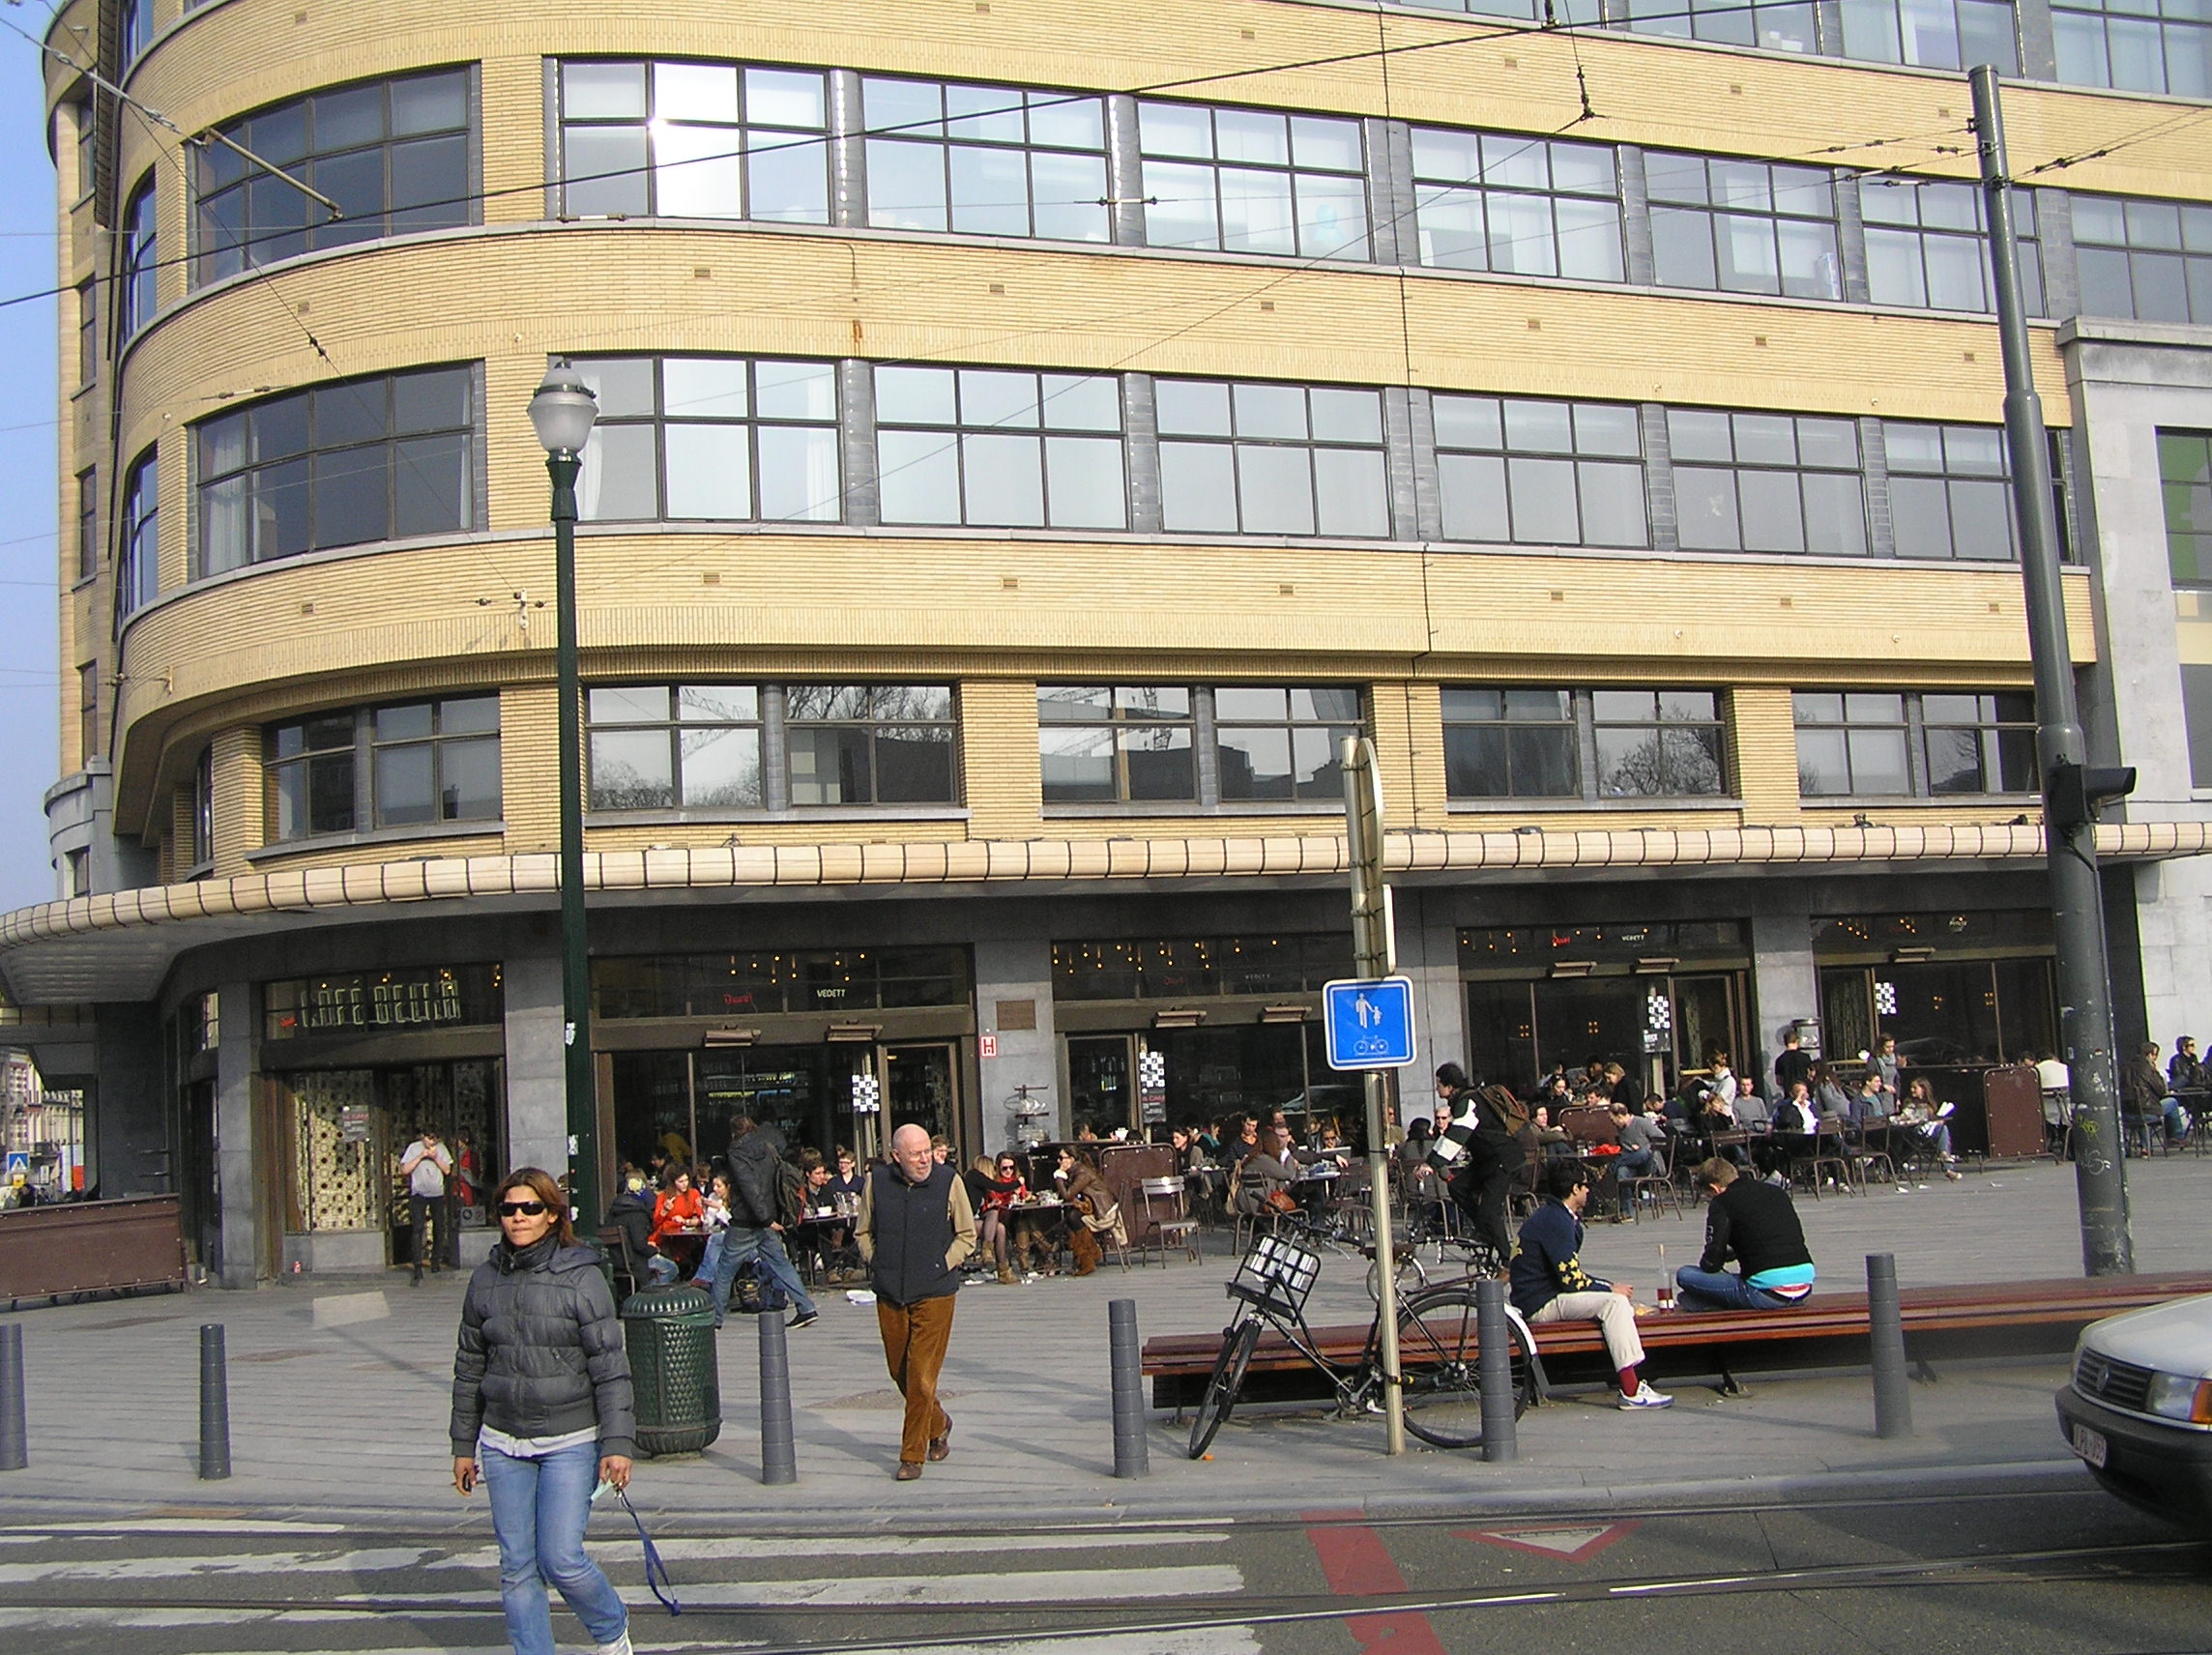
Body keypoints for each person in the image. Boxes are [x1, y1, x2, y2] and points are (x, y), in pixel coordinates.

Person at [450, 1168, 637, 1655]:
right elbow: (469, 1367)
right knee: (517, 1566)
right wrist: (463, 1445)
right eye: (509, 1209)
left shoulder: (582, 1277)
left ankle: (611, 1627)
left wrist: (617, 1444)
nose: (518, 1218)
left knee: (561, 1558)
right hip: (501, 1441)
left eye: (530, 1208)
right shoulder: (485, 1279)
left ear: (552, 1215)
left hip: (569, 1440)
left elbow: (611, 1367)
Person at [857, 1121, 976, 1480]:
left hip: (936, 1292)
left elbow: (967, 1234)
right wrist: (877, 1260)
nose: (925, 1160)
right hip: (890, 1290)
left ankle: (912, 1455)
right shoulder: (877, 1182)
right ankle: (938, 1424)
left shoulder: (949, 1181)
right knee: (900, 1372)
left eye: (927, 1152)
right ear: (896, 1156)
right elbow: (863, 1230)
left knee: (922, 1377)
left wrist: (943, 1263)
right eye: (915, 1155)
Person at [1508, 1162, 1672, 1410]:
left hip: (1540, 1296)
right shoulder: (1556, 1221)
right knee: (1615, 1304)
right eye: (1585, 1186)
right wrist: (1609, 1289)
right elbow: (1572, 1280)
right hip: (1542, 1303)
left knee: (1617, 1303)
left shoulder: (1552, 1215)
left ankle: (1618, 1370)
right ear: (1575, 1189)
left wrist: (1607, 1286)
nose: (1588, 1191)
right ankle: (1631, 1389)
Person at [712, 1116, 819, 1331]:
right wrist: (771, 1217)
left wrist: (764, 1218)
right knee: (781, 1263)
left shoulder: (736, 1152)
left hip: (747, 1220)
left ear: (733, 1132)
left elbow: (749, 1187)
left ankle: (714, 1318)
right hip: (768, 1218)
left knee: (725, 1269)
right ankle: (806, 1308)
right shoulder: (768, 1147)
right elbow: (775, 1180)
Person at [1674, 1157, 1816, 1311]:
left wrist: (1718, 1259)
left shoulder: (1722, 1202)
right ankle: (1708, 1302)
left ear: (1714, 1188)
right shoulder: (1776, 1192)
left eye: (1709, 1195)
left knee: (1685, 1275)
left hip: (1766, 1293)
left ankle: (1709, 1303)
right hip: (1804, 1287)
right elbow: (1773, 1239)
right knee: (1694, 1295)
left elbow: (1712, 1263)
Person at [1430, 1063, 1521, 1267]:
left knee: (1490, 1211)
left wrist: (1433, 1164)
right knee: (1457, 1186)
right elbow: (1451, 1133)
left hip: (1501, 1160)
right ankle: (1484, 1231)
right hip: (1486, 1161)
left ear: (1449, 1086)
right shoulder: (1461, 1101)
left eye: (1439, 1084)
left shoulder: (1468, 1101)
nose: (1436, 1088)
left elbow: (1458, 1134)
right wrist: (1431, 1161)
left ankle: (1508, 1260)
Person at [603, 1171, 679, 1286]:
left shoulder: (612, 1212)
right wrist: (654, 1250)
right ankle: (649, 1292)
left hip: (614, 1260)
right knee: (672, 1268)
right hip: (635, 1261)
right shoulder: (637, 1214)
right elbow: (639, 1245)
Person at [400, 1127, 454, 1285]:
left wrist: (436, 1158)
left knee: (439, 1227)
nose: (432, 1142)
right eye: (429, 1138)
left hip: (436, 1194)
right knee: (418, 1228)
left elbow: (447, 1170)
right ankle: (417, 1264)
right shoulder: (414, 1148)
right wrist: (421, 1156)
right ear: (423, 1137)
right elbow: (405, 1169)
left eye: (435, 1139)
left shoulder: (441, 1148)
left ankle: (435, 1260)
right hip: (419, 1195)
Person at [1057, 1146, 1120, 1275]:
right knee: (1070, 1218)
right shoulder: (1075, 1172)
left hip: (1103, 1210)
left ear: (1071, 1159)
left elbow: (1068, 1195)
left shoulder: (1082, 1173)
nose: (1059, 1161)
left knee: (1073, 1217)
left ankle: (1087, 1259)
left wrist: (1058, 1177)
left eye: (1061, 1158)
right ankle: (1086, 1256)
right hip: (1094, 1207)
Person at [2122, 1042, 2192, 1145]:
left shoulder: (2125, 1068)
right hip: (2147, 1111)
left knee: (2141, 1110)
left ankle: (2145, 1146)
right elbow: (2161, 1090)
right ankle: (2176, 1136)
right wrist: (2155, 1071)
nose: (2155, 1058)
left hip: (2127, 1114)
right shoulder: (2148, 1069)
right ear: (2149, 1055)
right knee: (2172, 1102)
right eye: (2155, 1055)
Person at [977, 1153, 1027, 1284]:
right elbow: (992, 1200)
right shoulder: (993, 1183)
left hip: (1014, 1215)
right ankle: (1002, 1266)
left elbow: (1023, 1197)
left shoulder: (1017, 1180)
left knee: (1023, 1222)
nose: (1009, 1171)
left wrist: (1020, 1193)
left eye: (1011, 1167)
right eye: (1005, 1168)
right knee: (1001, 1225)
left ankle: (1024, 1263)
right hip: (997, 1216)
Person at [1896, 1076, 1962, 1175]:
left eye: (1915, 1088)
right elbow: (1905, 1116)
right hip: (1913, 1131)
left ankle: (1946, 1164)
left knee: (1943, 1128)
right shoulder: (1909, 1103)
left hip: (1928, 1129)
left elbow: (1931, 1118)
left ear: (1923, 1089)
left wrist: (1938, 1120)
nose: (1912, 1090)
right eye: (1911, 1088)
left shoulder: (1930, 1103)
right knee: (1941, 1130)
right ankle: (1945, 1161)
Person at [1773, 1028, 1815, 1098]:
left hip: (1789, 1095)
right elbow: (1811, 1075)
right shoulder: (1805, 1057)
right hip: (1804, 1094)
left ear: (1785, 1042)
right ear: (1797, 1041)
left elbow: (1779, 1081)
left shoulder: (1780, 1060)